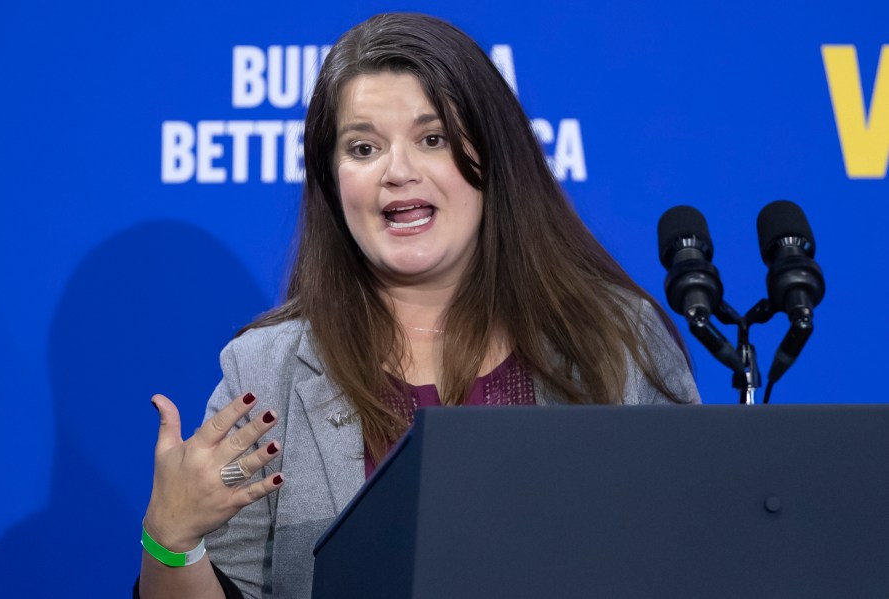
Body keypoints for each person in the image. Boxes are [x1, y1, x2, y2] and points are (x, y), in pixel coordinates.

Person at [137, 12, 700, 599]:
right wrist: (170, 539)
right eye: (363, 147)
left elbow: (695, 558)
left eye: (432, 139)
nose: (398, 172)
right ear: (332, 181)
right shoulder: (264, 372)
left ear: (493, 159)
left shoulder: (616, 340)